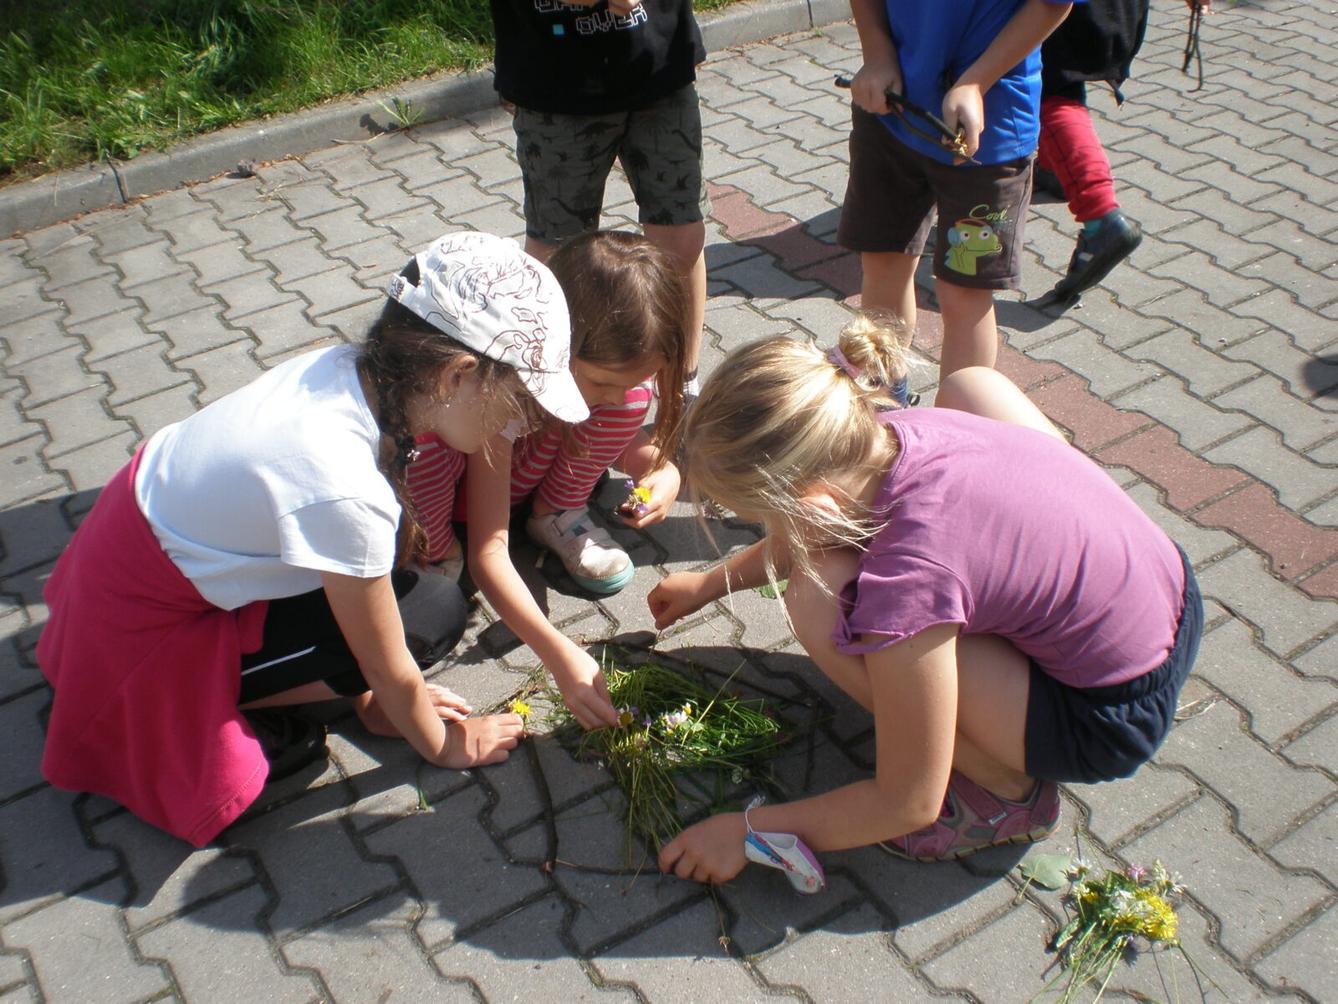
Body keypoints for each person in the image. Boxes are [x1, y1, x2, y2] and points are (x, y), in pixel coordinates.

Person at [35, 231, 584, 846]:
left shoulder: (350, 372)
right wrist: (440, 741)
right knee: (426, 616)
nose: (520, 423)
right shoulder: (342, 482)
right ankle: (229, 707)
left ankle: (319, 689)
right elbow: (385, 657)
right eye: (518, 400)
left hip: (125, 569)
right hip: (131, 639)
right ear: (458, 374)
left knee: (415, 599)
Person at [648, 313, 1203, 883]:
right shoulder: (902, 429)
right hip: (1173, 594)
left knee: (818, 599)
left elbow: (906, 802)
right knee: (972, 383)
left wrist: (746, 831)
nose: (774, 533)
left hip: (1107, 719)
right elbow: (821, 520)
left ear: (814, 507)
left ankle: (1005, 796)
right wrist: (709, 584)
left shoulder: (907, 580)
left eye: (768, 519)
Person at [407, 230, 689, 731]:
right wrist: (558, 652)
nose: (610, 394)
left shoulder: (609, 384)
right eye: (601, 380)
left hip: (523, 481)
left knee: (630, 403)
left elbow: (630, 443)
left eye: (629, 378)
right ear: (558, 342)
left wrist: (662, 470)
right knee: (427, 452)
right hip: (468, 496)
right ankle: (433, 550)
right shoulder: (498, 395)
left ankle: (555, 513)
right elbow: (489, 551)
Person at [840, 0, 1076, 381]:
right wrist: (877, 51)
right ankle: (884, 412)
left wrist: (975, 82)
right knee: (883, 264)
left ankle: (957, 430)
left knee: (964, 294)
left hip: (986, 131)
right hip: (892, 112)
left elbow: (1053, 4)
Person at [490, 0, 709, 401]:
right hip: (557, 84)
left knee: (681, 237)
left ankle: (681, 385)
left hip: (657, 66)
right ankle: (553, 391)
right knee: (557, 250)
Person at [1036, 0, 1209, 304]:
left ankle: (1100, 216)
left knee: (1049, 93)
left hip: (1067, 12)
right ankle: (1055, 170)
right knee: (1062, 80)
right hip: (1117, 11)